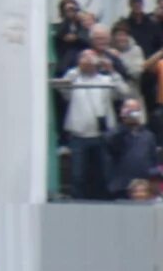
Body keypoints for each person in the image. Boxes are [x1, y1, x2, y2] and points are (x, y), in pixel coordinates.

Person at [54, 49, 127, 200]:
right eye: (84, 57)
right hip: (79, 135)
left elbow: (124, 92)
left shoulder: (105, 80)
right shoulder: (74, 79)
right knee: (77, 175)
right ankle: (78, 201)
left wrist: (111, 70)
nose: (88, 60)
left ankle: (106, 200)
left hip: (102, 135)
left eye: (91, 57)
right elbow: (61, 87)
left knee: (105, 172)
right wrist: (78, 69)